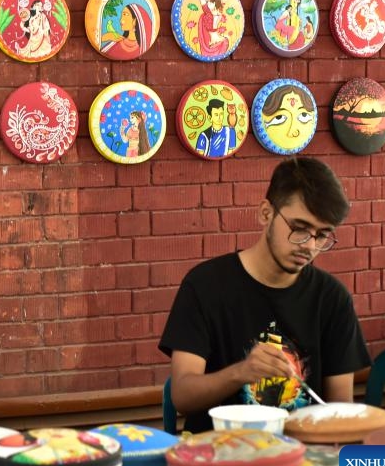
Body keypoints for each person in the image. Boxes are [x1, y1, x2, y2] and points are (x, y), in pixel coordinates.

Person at [159, 157, 371, 433]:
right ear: (265, 213)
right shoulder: (205, 285)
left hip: (305, 460)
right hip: (219, 455)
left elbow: (341, 407)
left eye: (322, 235)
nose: (309, 246)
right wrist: (240, 373)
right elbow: (183, 396)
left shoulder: (332, 298)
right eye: (299, 228)